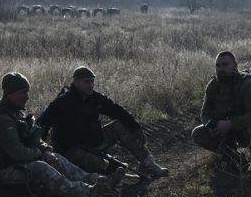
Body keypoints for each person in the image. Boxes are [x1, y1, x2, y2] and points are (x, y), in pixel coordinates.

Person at [0, 72, 124, 197]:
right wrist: (40, 154)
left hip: (13, 164)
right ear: (10, 93)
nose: (27, 96)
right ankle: (86, 195)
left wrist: (46, 149)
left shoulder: (14, 113)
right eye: (23, 92)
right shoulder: (1, 120)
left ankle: (100, 182)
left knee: (56, 158)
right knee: (41, 167)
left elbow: (33, 138)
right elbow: (18, 153)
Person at [37, 66, 168, 179]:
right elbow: (42, 124)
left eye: (92, 81)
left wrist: (136, 129)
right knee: (103, 165)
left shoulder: (96, 98)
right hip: (72, 150)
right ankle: (112, 177)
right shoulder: (62, 102)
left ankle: (149, 164)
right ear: (75, 82)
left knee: (119, 125)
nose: (90, 85)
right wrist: (44, 151)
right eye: (86, 81)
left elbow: (117, 111)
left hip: (95, 142)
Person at [191, 51, 251, 176]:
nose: (221, 68)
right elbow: (205, 112)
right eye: (218, 66)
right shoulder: (213, 85)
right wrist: (210, 125)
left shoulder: (248, 84)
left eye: (225, 65)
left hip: (250, 129)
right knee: (198, 133)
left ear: (235, 65)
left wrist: (230, 124)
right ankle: (234, 157)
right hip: (227, 131)